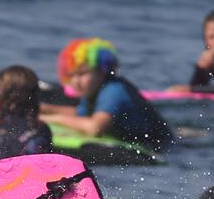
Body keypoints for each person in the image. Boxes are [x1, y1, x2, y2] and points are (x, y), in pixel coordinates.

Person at [40, 38, 172, 150]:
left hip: (162, 146)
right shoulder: (94, 89)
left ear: (102, 71)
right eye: (71, 75)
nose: (76, 81)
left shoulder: (114, 91)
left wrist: (49, 119)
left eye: (82, 74)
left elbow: (95, 128)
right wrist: (44, 108)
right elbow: (81, 114)